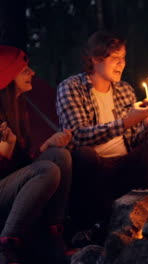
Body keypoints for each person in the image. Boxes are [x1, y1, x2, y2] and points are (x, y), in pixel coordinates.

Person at [56, 31, 148, 230]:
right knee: (84, 156)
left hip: (123, 162)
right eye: (115, 58)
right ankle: (91, 224)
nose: (122, 64)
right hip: (94, 165)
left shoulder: (125, 89)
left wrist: (145, 124)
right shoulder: (71, 88)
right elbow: (77, 137)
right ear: (95, 59)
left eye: (123, 58)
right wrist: (126, 121)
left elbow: (133, 140)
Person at [0, 45, 75, 263]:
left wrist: (45, 147)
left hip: (11, 183)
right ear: (8, 77)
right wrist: (4, 153)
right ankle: (6, 243)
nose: (32, 73)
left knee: (60, 156)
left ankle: (53, 235)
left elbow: (23, 166)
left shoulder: (17, 107)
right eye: (25, 70)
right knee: (47, 169)